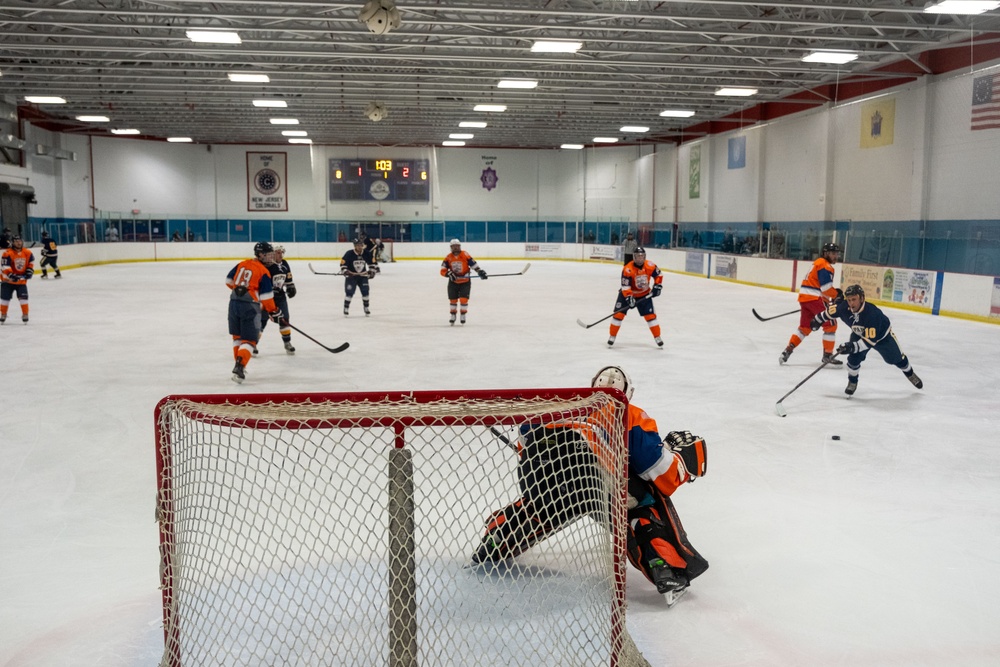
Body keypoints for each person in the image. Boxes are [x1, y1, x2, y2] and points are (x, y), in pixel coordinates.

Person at [470, 366, 709, 606]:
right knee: (644, 502)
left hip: (540, 481)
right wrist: (679, 460)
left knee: (540, 505)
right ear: (627, 393)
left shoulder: (556, 407)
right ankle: (665, 568)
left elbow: (525, 446)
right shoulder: (628, 412)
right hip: (595, 479)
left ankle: (497, 538)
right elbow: (656, 470)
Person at [810, 284, 923, 396]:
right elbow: (829, 312)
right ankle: (852, 381)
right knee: (853, 359)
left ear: (862, 298)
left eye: (854, 299)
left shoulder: (872, 314)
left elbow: (868, 342)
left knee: (896, 359)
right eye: (849, 300)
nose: (851, 303)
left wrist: (851, 347)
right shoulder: (844, 307)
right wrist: (817, 320)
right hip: (859, 334)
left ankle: (910, 373)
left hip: (882, 338)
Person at [225, 242, 284, 384]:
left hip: (233, 303)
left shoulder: (242, 264)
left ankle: (238, 365)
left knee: (237, 337)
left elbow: (228, 281)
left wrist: (240, 290)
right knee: (250, 340)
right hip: (250, 308)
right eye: (268, 255)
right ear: (260, 255)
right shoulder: (264, 271)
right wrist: (274, 311)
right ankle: (240, 367)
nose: (271, 258)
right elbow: (266, 298)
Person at [780, 242, 842, 366]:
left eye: (836, 253)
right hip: (814, 298)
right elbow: (826, 289)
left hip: (805, 299)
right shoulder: (825, 266)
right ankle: (828, 355)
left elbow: (821, 288)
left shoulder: (818, 263)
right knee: (831, 324)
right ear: (825, 253)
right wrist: (837, 295)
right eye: (833, 253)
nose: (835, 256)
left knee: (804, 328)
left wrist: (830, 296)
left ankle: (788, 350)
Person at [608, 246, 663, 348]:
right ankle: (612, 336)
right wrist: (629, 298)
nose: (640, 259)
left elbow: (659, 275)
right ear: (634, 257)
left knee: (651, 316)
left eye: (642, 256)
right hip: (627, 294)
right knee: (618, 315)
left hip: (644, 294)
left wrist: (657, 286)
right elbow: (625, 287)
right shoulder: (627, 269)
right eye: (638, 256)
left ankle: (657, 337)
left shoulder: (650, 265)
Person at [258, 244, 296, 355]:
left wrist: (291, 287)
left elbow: (288, 279)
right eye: (278, 252)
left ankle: (287, 343)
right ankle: (253, 343)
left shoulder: (284, 264)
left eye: (282, 252)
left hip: (280, 297)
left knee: (285, 319)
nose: (281, 254)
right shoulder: (266, 266)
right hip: (267, 298)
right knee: (262, 321)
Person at [439, 238, 487, 325]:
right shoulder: (448, 257)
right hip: (453, 282)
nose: (456, 248)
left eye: (457, 246)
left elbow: (473, 264)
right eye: (454, 246)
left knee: (463, 299)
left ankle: (463, 314)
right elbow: (443, 270)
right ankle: (453, 315)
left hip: (465, 281)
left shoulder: (465, 254)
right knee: (453, 300)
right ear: (451, 247)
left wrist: (479, 271)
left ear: (460, 246)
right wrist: (448, 274)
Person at [340, 237, 379, 316]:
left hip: (363, 276)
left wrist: (372, 271)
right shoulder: (349, 254)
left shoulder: (366, 253)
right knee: (349, 293)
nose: (360, 247)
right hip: (352, 276)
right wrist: (346, 271)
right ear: (355, 246)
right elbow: (343, 264)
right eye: (358, 245)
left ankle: (366, 308)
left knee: (365, 292)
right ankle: (346, 308)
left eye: (361, 245)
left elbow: (372, 263)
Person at [1, 235, 35, 324]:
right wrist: (11, 275)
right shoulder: (7, 253)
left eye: (19, 241)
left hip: (21, 281)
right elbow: (5, 266)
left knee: (24, 298)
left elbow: (31, 263)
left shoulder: (27, 252)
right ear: (12, 243)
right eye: (16, 241)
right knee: (5, 298)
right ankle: (3, 314)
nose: (18, 243)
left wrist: (29, 271)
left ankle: (25, 314)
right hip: (7, 281)